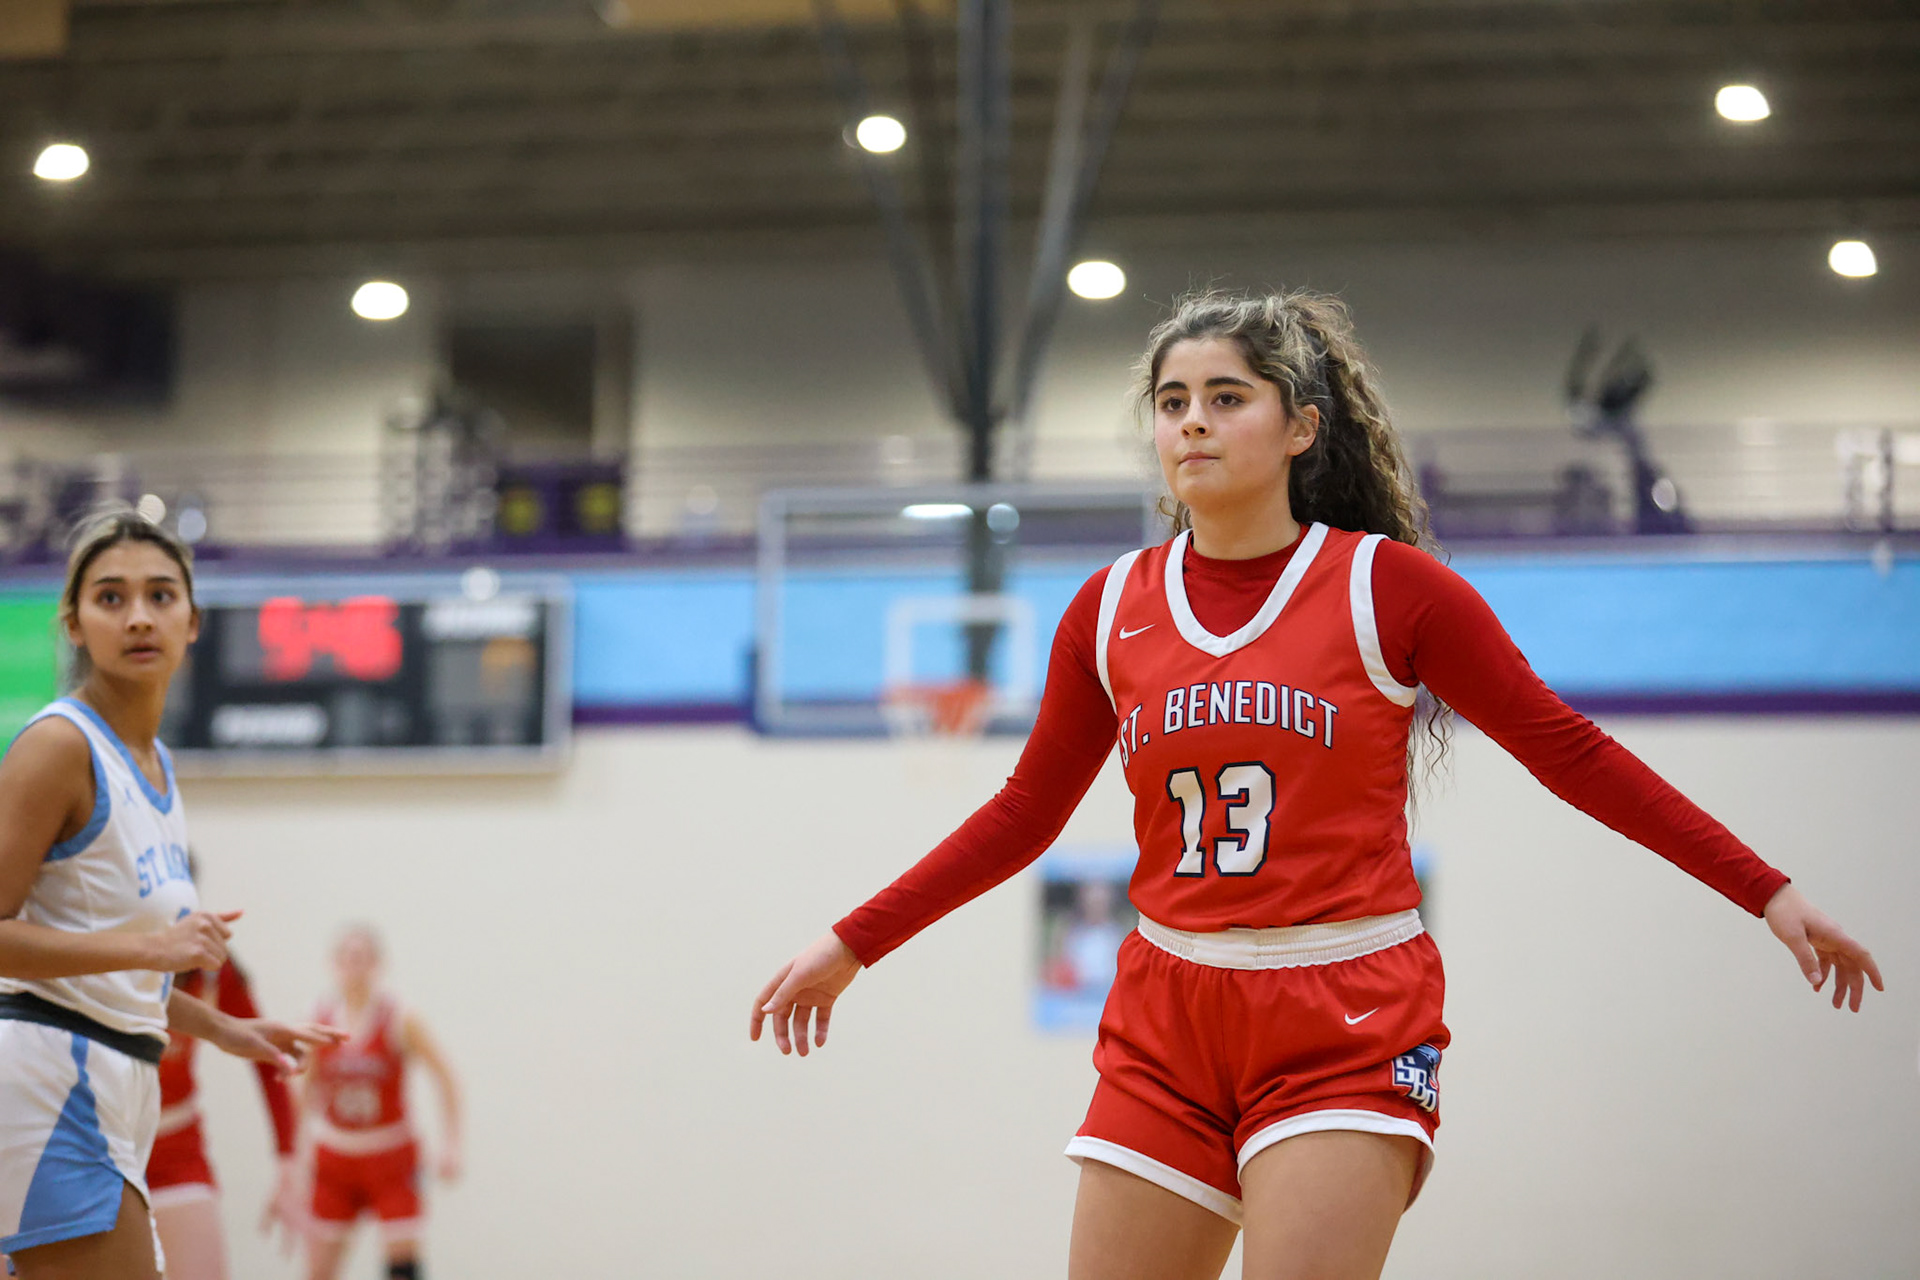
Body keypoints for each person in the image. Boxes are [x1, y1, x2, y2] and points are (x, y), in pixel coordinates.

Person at [751, 290, 1883, 1280]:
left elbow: (1571, 752)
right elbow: (1022, 814)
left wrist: (1767, 890)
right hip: (1165, 1013)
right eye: (1172, 401)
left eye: (1226, 397)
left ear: (1301, 426)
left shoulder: (1392, 590)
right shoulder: (1109, 606)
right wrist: (853, 942)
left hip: (1345, 1010)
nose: (1193, 421)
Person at [0, 506, 340, 1280]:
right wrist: (155, 946)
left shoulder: (154, 763)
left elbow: (114, 972)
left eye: (161, 595)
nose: (138, 617)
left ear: (192, 622)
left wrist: (222, 1029)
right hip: (50, 1081)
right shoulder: (59, 747)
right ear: (74, 624)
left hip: (117, 1084)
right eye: (110, 597)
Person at [301, 925, 462, 1280]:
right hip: (336, 1157)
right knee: (318, 1269)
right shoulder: (318, 1020)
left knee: (402, 1265)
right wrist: (291, 1159)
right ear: (334, 964)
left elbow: (446, 1077)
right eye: (347, 958)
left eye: (362, 958)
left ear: (378, 965)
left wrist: (451, 1145)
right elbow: (302, 1090)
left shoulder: (400, 1018)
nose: (354, 967)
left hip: (390, 1155)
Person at [147, 947, 303, 1280]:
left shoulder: (214, 970)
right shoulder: (107, 953)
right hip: (100, 1146)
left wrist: (287, 1161)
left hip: (176, 1148)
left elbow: (267, 1059)